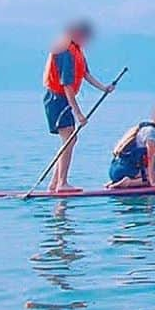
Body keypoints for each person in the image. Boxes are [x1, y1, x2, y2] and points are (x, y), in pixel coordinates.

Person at [42, 20, 116, 193]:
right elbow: (66, 84)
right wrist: (79, 114)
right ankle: (61, 183)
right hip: (56, 99)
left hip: (63, 99)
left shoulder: (77, 50)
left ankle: (55, 183)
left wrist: (104, 88)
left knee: (70, 140)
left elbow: (86, 74)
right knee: (69, 139)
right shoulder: (65, 51)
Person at [107, 105, 155, 188]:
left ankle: (116, 181)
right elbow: (150, 158)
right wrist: (152, 182)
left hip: (115, 170)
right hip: (126, 170)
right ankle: (128, 182)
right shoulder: (150, 133)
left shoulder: (142, 128)